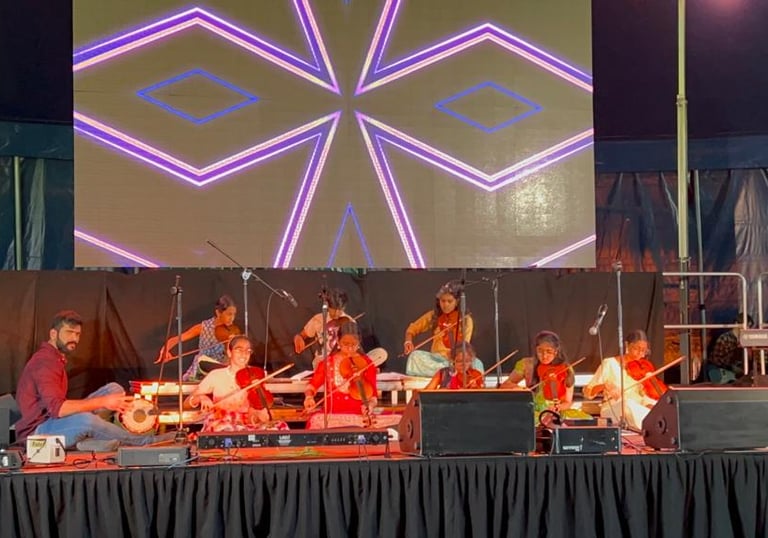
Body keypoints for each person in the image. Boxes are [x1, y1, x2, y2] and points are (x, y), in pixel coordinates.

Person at [15, 310, 175, 451]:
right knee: (85, 420)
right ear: (53, 334)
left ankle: (86, 443)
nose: (74, 339)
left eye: (77, 334)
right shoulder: (45, 362)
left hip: (55, 421)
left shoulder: (56, 358)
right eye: (69, 332)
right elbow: (59, 409)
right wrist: (103, 402)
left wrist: (107, 400)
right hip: (39, 431)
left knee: (115, 390)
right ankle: (144, 442)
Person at [185, 335, 286, 432]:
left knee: (280, 427)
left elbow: (261, 411)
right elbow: (186, 403)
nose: (244, 354)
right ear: (229, 352)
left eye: (248, 351)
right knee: (226, 428)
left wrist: (258, 414)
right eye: (239, 350)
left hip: (248, 423)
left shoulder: (256, 374)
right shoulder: (216, 375)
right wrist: (202, 397)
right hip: (223, 421)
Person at [303, 321, 378, 428]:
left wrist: (370, 405)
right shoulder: (328, 362)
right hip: (332, 415)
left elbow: (373, 396)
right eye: (345, 344)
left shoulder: (367, 363)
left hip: (358, 415)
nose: (350, 348)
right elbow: (312, 385)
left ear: (359, 342)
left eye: (354, 344)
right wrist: (309, 397)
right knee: (316, 421)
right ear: (338, 341)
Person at [403, 280, 483, 377]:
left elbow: (464, 346)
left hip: (456, 360)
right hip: (435, 359)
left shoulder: (466, 320)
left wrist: (455, 357)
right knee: (414, 356)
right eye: (442, 301)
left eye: (450, 301)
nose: (445, 305)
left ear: (457, 302)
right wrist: (408, 341)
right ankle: (445, 373)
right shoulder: (434, 315)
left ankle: (446, 372)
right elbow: (412, 329)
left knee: (477, 364)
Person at [583, 329, 659, 431]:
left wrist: (649, 403)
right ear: (627, 345)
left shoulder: (642, 368)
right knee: (627, 403)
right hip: (613, 407)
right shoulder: (609, 363)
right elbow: (588, 392)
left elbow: (643, 395)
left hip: (637, 406)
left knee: (658, 406)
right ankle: (653, 428)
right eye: (637, 349)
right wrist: (604, 385)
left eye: (644, 351)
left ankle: (655, 427)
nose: (640, 354)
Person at [156, 295, 239, 381]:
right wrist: (166, 348)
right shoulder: (204, 327)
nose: (232, 318)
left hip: (221, 372)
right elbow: (177, 339)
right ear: (218, 313)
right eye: (229, 314)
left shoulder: (233, 331)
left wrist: (233, 345)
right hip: (202, 370)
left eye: (234, 314)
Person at [500, 331, 575, 414]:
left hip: (556, 412)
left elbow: (568, 402)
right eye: (540, 351)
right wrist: (521, 389)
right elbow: (505, 385)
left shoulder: (566, 368)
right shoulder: (526, 364)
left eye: (549, 351)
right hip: (533, 411)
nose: (544, 356)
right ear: (535, 349)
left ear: (556, 351)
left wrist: (557, 407)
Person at [294, 288, 357, 369]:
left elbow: (355, 348)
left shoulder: (350, 321)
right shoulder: (318, 319)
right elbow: (302, 335)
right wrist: (298, 337)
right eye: (333, 310)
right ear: (327, 305)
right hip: (322, 362)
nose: (336, 313)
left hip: (343, 363)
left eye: (340, 310)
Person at [706, 313, 754, 383]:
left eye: (749, 327)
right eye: (747, 326)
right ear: (737, 323)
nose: (748, 329)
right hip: (724, 374)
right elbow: (716, 360)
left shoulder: (745, 341)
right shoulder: (724, 338)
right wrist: (732, 367)